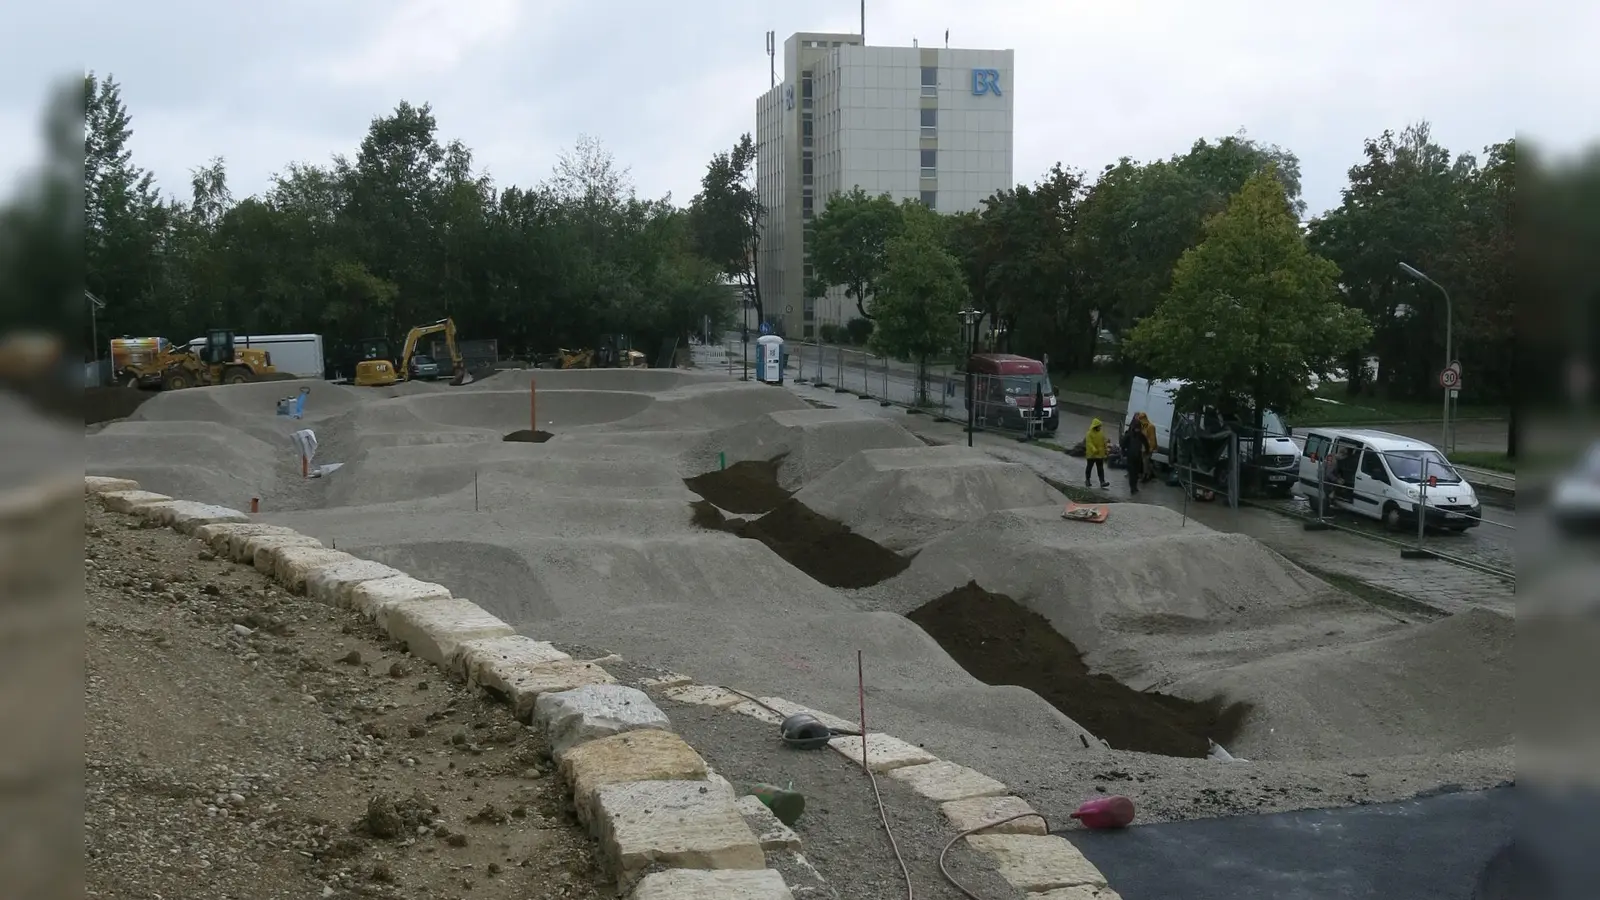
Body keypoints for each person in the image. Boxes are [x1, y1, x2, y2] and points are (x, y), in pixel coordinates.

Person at [1121, 419, 1148, 495]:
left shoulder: (1141, 436)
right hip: (1130, 456)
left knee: (1136, 473)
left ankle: (1135, 486)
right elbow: (1122, 444)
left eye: (1138, 428)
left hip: (1138, 456)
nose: (1137, 430)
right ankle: (1132, 487)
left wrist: (1146, 451)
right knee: (1132, 473)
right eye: (1136, 428)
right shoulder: (1129, 435)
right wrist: (1124, 452)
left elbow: (1146, 444)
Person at [1083, 419, 1110, 488]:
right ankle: (1087, 480)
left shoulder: (1101, 433)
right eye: (1099, 426)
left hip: (1099, 454)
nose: (1100, 427)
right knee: (1089, 467)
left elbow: (1104, 441)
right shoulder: (1089, 433)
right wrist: (1094, 449)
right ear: (1095, 426)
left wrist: (1106, 449)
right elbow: (1089, 443)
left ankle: (1102, 482)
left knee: (1100, 468)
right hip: (1091, 454)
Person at [1137, 412, 1158, 482]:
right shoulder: (1143, 426)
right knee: (1145, 462)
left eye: (1141, 419)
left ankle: (1146, 476)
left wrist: (1151, 448)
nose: (1140, 420)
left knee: (1145, 462)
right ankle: (1149, 474)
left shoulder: (1150, 427)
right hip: (1143, 447)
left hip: (1148, 448)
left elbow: (1152, 438)